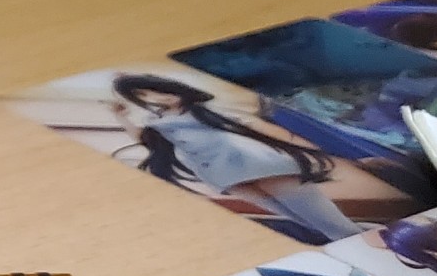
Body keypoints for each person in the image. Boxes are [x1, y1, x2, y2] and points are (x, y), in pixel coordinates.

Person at [109, 73, 365, 241]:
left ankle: (360, 241)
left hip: (254, 162)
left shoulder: (205, 109)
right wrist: (122, 117)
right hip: (221, 173)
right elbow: (146, 140)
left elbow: (258, 128)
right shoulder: (157, 122)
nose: (155, 97)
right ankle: (357, 241)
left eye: (156, 90)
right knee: (306, 222)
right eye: (144, 95)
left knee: (330, 223)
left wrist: (321, 152)